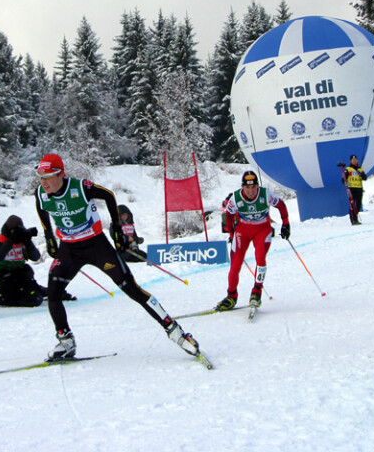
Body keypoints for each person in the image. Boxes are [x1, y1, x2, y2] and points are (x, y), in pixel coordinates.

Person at [33, 153, 201, 361]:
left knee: (132, 289)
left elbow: (109, 195)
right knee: (53, 293)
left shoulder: (80, 187)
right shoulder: (41, 193)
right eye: (41, 177)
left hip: (96, 245)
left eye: (48, 177)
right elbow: (41, 208)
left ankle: (176, 332)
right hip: (69, 250)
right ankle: (66, 341)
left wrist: (117, 228)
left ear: (61, 174)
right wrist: (49, 235)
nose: (44, 182)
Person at [216, 170, 290, 311]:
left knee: (260, 257)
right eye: (247, 187)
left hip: (262, 230)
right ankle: (231, 296)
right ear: (243, 187)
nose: (251, 191)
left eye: (254, 187)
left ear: (257, 186)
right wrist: (232, 234)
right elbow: (229, 216)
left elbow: (281, 205)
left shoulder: (265, 194)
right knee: (235, 265)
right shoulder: (236, 198)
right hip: (243, 231)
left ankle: (257, 292)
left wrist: (286, 224)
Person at [0, 215, 76, 307]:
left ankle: (54, 293)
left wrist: (27, 241)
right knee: (34, 300)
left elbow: (35, 257)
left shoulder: (21, 240)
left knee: (36, 292)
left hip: (21, 275)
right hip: (6, 276)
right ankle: (1, 297)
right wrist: (11, 240)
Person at [342, 155, 367, 224]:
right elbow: (343, 179)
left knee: (358, 205)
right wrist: (345, 182)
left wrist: (361, 174)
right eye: (353, 160)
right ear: (351, 161)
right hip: (351, 189)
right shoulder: (348, 169)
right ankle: (353, 220)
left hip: (359, 188)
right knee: (352, 204)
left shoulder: (360, 169)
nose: (354, 160)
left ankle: (355, 218)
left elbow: (365, 178)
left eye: (355, 159)